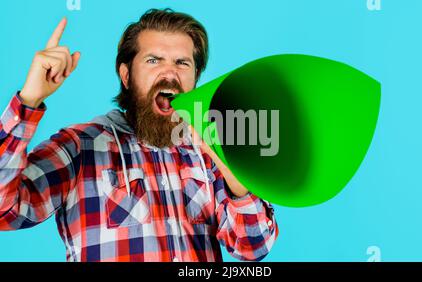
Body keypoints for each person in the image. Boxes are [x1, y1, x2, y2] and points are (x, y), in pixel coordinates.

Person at [0, 8, 278, 262]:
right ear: (126, 75)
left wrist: (234, 174)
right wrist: (29, 100)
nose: (169, 72)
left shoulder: (209, 151)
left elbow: (253, 248)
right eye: (154, 60)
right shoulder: (80, 146)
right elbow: (6, 210)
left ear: (195, 78)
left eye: (182, 63)